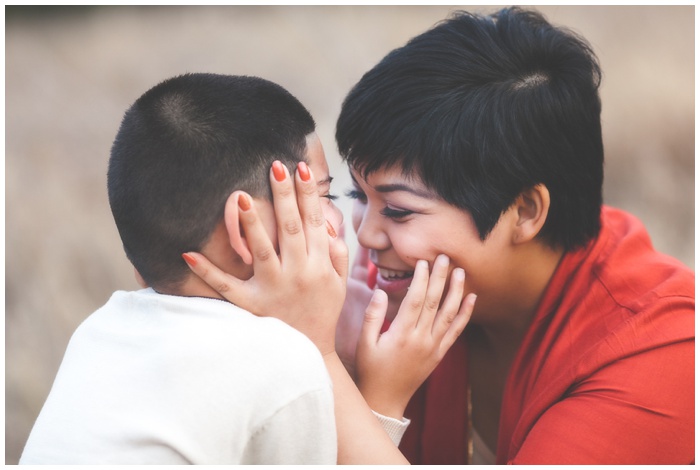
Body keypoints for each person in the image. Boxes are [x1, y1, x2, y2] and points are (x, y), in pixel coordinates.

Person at [20, 73, 474, 465]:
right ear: (245, 229)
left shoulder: (98, 334)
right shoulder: (282, 364)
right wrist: (356, 378)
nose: (341, 225)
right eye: (324, 198)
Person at [329, 6, 694, 465]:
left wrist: (359, 392)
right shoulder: (391, 286)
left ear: (524, 211)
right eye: (357, 195)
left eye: (399, 210)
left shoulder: (659, 354)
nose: (365, 236)